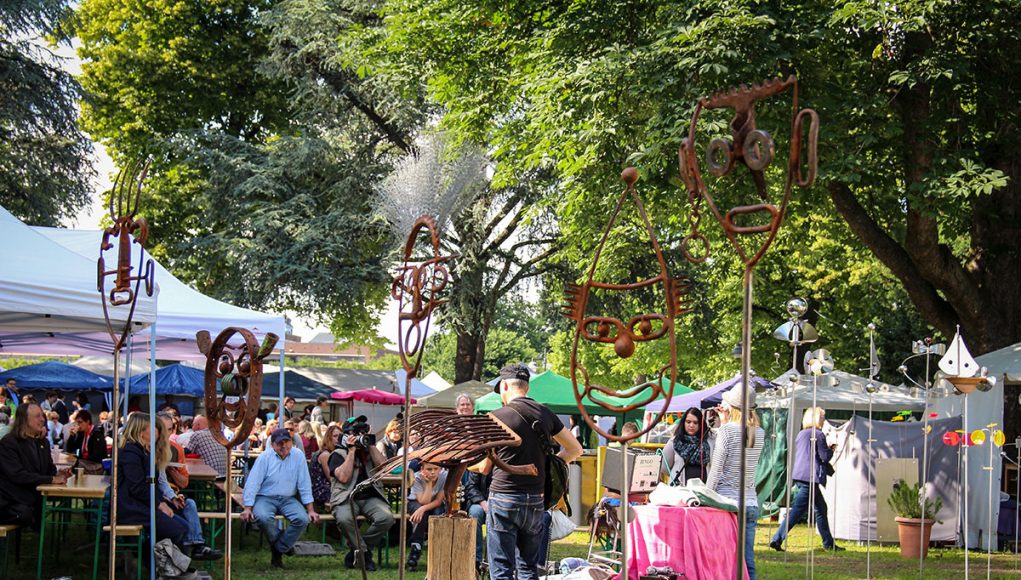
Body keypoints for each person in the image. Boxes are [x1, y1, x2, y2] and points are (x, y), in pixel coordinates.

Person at [480, 364, 583, 580]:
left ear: (505, 385)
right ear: (526, 388)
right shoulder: (545, 413)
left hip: (503, 497)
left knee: (501, 570)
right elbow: (576, 449)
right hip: (536, 500)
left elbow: (484, 467)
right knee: (529, 569)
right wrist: (551, 464)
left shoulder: (495, 417)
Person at [705, 388, 765, 580]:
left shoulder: (727, 431)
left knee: (722, 560)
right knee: (747, 561)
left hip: (727, 503)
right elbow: (741, 457)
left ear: (732, 407)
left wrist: (705, 496)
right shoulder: (759, 432)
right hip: (750, 502)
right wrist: (725, 422)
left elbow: (717, 469)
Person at [241, 428, 319, 568]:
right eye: (280, 443)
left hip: (288, 498)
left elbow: (304, 483)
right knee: (263, 517)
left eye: (287, 442)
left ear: (291, 442)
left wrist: (310, 509)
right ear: (273, 445)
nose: (284, 446)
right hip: (265, 497)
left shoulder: (298, 456)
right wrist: (247, 507)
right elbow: (253, 482)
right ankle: (282, 545)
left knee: (302, 519)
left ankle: (278, 548)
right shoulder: (264, 457)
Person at [769, 407, 843, 552]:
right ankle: (776, 539)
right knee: (797, 511)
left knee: (821, 508)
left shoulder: (801, 434)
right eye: (822, 417)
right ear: (815, 418)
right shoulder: (818, 434)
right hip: (810, 478)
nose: (824, 420)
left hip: (800, 475)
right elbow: (824, 457)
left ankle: (828, 543)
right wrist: (831, 449)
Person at [329, 416, 393, 571]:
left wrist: (370, 444)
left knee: (386, 518)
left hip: (370, 496)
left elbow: (385, 467)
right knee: (344, 519)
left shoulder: (369, 451)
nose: (359, 436)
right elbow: (343, 477)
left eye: (362, 432)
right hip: (346, 497)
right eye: (356, 432)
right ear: (347, 435)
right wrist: (351, 451)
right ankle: (365, 554)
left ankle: (358, 551)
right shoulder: (338, 454)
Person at [117, 413, 190, 550]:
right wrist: (159, 504)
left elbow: (153, 483)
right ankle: (160, 564)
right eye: (153, 427)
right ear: (140, 430)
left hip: (142, 504)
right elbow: (138, 487)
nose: (157, 431)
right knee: (177, 529)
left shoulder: (144, 451)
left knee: (183, 525)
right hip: (131, 507)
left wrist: (163, 501)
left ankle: (172, 564)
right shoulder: (130, 452)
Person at [154, 417, 222, 560]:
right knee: (185, 514)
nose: (165, 433)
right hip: (154, 499)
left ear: (173, 430)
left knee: (189, 503)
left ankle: (196, 546)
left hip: (170, 495)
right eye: (162, 429)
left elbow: (184, 483)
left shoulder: (176, 448)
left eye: (169, 429)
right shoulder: (148, 449)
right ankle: (188, 552)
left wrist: (172, 473)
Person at [0, 403, 69, 527]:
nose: (42, 419)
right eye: (37, 416)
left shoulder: (42, 443)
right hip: (10, 500)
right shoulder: (9, 443)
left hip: (32, 498)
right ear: (25, 419)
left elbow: (49, 469)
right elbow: (17, 475)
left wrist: (59, 474)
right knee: (25, 514)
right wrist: (52, 479)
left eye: (42, 415)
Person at [405, 461, 448, 570]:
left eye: (436, 469)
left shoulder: (444, 476)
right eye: (429, 469)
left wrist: (423, 508)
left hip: (433, 504)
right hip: (416, 502)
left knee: (439, 514)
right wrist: (428, 484)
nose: (433, 472)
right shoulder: (417, 478)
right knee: (421, 515)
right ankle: (416, 548)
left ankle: (438, 552)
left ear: (440, 469)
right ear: (422, 469)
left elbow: (438, 501)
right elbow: (423, 501)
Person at [663, 407, 713, 485]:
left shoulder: (709, 442)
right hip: (679, 491)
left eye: (695, 423)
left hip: (704, 490)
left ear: (701, 424)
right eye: (688, 422)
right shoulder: (674, 442)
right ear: (683, 423)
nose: (691, 425)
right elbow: (664, 467)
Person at [464, 466, 492, 572]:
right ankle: (475, 559)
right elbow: (471, 486)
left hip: (499, 502)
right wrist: (483, 502)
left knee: (497, 516)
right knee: (475, 512)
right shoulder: (480, 461)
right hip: (479, 502)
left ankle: (493, 560)